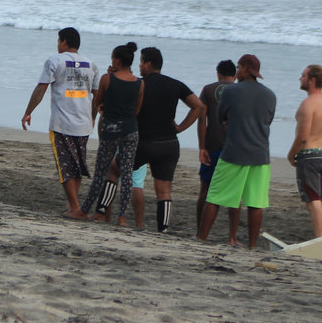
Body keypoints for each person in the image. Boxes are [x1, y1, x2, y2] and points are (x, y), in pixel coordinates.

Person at [197, 54, 277, 248]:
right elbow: (268, 120)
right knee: (255, 202)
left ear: (246, 70)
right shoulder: (270, 95)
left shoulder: (232, 91)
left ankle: (201, 238)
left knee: (214, 195)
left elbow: (220, 115)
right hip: (260, 154)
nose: (237, 71)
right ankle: (252, 245)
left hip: (234, 151)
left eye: (240, 67)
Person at [21, 27, 99, 215]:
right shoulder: (91, 64)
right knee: (78, 165)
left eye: (58, 41)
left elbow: (41, 88)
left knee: (65, 166)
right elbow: (96, 97)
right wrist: (93, 118)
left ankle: (74, 206)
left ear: (64, 42)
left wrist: (28, 112)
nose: (57, 44)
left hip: (61, 123)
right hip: (83, 122)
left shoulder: (55, 61)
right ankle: (72, 205)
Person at [132, 47, 205, 233]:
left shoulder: (139, 84)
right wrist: (180, 127)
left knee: (114, 171)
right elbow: (198, 107)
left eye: (141, 62)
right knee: (164, 191)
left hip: (144, 141)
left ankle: (101, 211)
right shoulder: (175, 84)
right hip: (168, 143)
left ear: (148, 64)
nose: (139, 66)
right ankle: (162, 230)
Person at [69, 42, 144, 222]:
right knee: (126, 174)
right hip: (130, 129)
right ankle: (122, 217)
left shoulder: (107, 78)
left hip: (111, 128)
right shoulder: (140, 83)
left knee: (101, 172)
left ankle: (84, 210)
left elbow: (98, 101)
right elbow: (137, 110)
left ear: (116, 61)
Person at [288, 64, 322, 238]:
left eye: (303, 76)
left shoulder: (308, 104)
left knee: (313, 202)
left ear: (312, 80)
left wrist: (291, 154)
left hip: (309, 155)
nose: (300, 78)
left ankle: (319, 240)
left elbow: (302, 137)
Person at [196, 59, 242, 241]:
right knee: (235, 194)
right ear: (235, 75)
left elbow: (202, 119)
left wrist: (202, 146)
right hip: (235, 148)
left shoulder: (208, 89)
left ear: (218, 74)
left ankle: (200, 233)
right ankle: (232, 237)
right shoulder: (240, 91)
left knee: (205, 190)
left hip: (212, 146)